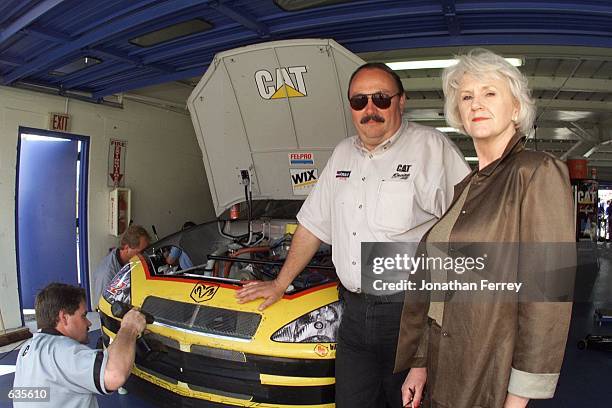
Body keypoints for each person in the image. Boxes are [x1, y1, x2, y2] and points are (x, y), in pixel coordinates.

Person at [236, 62, 470, 407]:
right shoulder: (343, 153)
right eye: (360, 101)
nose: (370, 109)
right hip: (354, 315)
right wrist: (280, 282)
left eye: (381, 98)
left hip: (408, 315)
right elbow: (313, 225)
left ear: (401, 101)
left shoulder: (432, 149)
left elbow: (466, 234)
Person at [395, 49, 575, 408]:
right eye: (466, 97)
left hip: (488, 373)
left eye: (490, 93)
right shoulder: (466, 188)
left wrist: (518, 397)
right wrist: (419, 364)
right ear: (458, 115)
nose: (476, 103)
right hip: (446, 366)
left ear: (516, 107)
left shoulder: (536, 172)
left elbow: (548, 295)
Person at [13, 283, 147, 407]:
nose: (88, 323)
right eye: (83, 316)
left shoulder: (27, 348)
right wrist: (129, 327)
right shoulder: (59, 350)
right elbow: (113, 375)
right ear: (64, 317)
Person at [91, 224, 150, 307]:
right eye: (141, 251)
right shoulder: (106, 275)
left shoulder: (126, 259)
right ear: (126, 248)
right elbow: (103, 307)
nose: (144, 255)